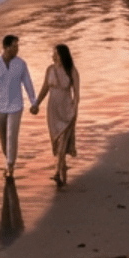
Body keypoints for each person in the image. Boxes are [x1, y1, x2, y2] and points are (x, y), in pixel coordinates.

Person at [0, 34, 36, 178]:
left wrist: (34, 102)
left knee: (11, 135)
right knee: (3, 137)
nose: (17, 49)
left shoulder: (21, 64)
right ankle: (8, 160)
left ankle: (10, 165)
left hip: (16, 105)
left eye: (17, 46)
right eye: (14, 46)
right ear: (6, 47)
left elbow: (28, 83)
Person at [30, 42, 79, 187]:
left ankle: (57, 172)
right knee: (57, 141)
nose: (53, 56)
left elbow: (77, 94)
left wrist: (75, 109)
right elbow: (45, 88)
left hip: (67, 109)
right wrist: (36, 103)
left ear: (62, 55)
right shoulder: (49, 69)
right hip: (52, 110)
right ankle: (63, 170)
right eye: (53, 54)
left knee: (64, 139)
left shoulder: (72, 71)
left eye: (56, 54)